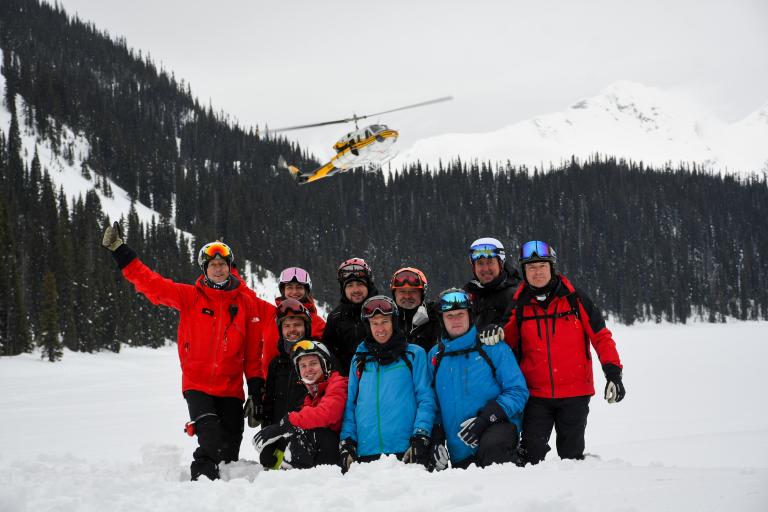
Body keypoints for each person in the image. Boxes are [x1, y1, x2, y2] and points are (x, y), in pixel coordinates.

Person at [101, 224, 269, 481]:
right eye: (212, 265)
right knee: (210, 439)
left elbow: (253, 353)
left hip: (231, 388)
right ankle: (200, 486)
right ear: (204, 269)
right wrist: (120, 251)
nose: (218, 268)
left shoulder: (246, 303)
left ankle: (226, 493)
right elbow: (153, 284)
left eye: (222, 264)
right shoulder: (190, 296)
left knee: (230, 448)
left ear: (230, 267)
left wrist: (256, 389)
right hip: (197, 385)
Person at [503, 240, 626, 465]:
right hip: (536, 395)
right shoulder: (519, 304)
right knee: (530, 458)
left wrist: (613, 374)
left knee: (571, 458)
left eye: (542, 266)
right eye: (531, 267)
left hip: (575, 393)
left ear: (552, 267)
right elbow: (505, 342)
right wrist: (494, 333)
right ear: (524, 272)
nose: (537, 272)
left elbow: (601, 336)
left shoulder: (575, 299)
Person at [427, 288, 529, 470]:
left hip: (498, 433)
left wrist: (486, 419)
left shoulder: (492, 346)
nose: (455, 320)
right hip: (460, 451)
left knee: (494, 452)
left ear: (470, 315)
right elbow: (433, 404)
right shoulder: (435, 356)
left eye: (460, 314)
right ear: (442, 319)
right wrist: (436, 440)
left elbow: (518, 391)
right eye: (450, 316)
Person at [339, 295, 436, 473]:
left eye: (385, 321)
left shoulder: (414, 355)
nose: (380, 328)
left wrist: (421, 435)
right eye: (374, 323)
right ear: (368, 326)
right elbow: (351, 405)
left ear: (394, 322)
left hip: (406, 452)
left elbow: (426, 399)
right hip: (366, 454)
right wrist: (347, 441)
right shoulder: (359, 360)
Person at [253, 340, 348, 469]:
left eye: (313, 363)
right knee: (298, 432)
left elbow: (327, 414)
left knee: (308, 431)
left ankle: (294, 474)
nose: (308, 369)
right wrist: (276, 445)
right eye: (303, 366)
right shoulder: (310, 398)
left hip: (341, 454)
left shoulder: (338, 384)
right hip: (326, 457)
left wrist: (286, 423)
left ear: (325, 365)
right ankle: (290, 472)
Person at [262, 267, 326, 378]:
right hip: (270, 383)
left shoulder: (318, 323)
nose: (294, 292)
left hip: (306, 384)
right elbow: (247, 296)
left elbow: (326, 359)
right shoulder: (270, 314)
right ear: (283, 290)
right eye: (290, 287)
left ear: (306, 291)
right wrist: (231, 266)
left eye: (299, 287)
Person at [261, 299, 314, 431]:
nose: (292, 330)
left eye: (297, 325)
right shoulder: (276, 363)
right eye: (287, 326)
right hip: (278, 433)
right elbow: (269, 405)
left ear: (306, 328)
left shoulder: (318, 358)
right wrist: (267, 431)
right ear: (281, 330)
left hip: (308, 434)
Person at [322, 258, 379, 375]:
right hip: (346, 380)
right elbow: (328, 353)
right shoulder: (335, 317)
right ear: (343, 289)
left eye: (360, 284)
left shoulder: (382, 310)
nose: (355, 290)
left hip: (379, 376)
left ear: (368, 285)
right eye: (350, 285)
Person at [464, 237, 521, 335]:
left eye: (490, 262)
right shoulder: (467, 297)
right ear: (474, 267)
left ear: (501, 264)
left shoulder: (516, 295)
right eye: (480, 263)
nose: (485, 269)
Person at [390, 267, 441, 353]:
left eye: (413, 291)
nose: (407, 296)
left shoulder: (436, 317)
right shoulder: (385, 320)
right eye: (402, 291)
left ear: (422, 294)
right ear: (394, 294)